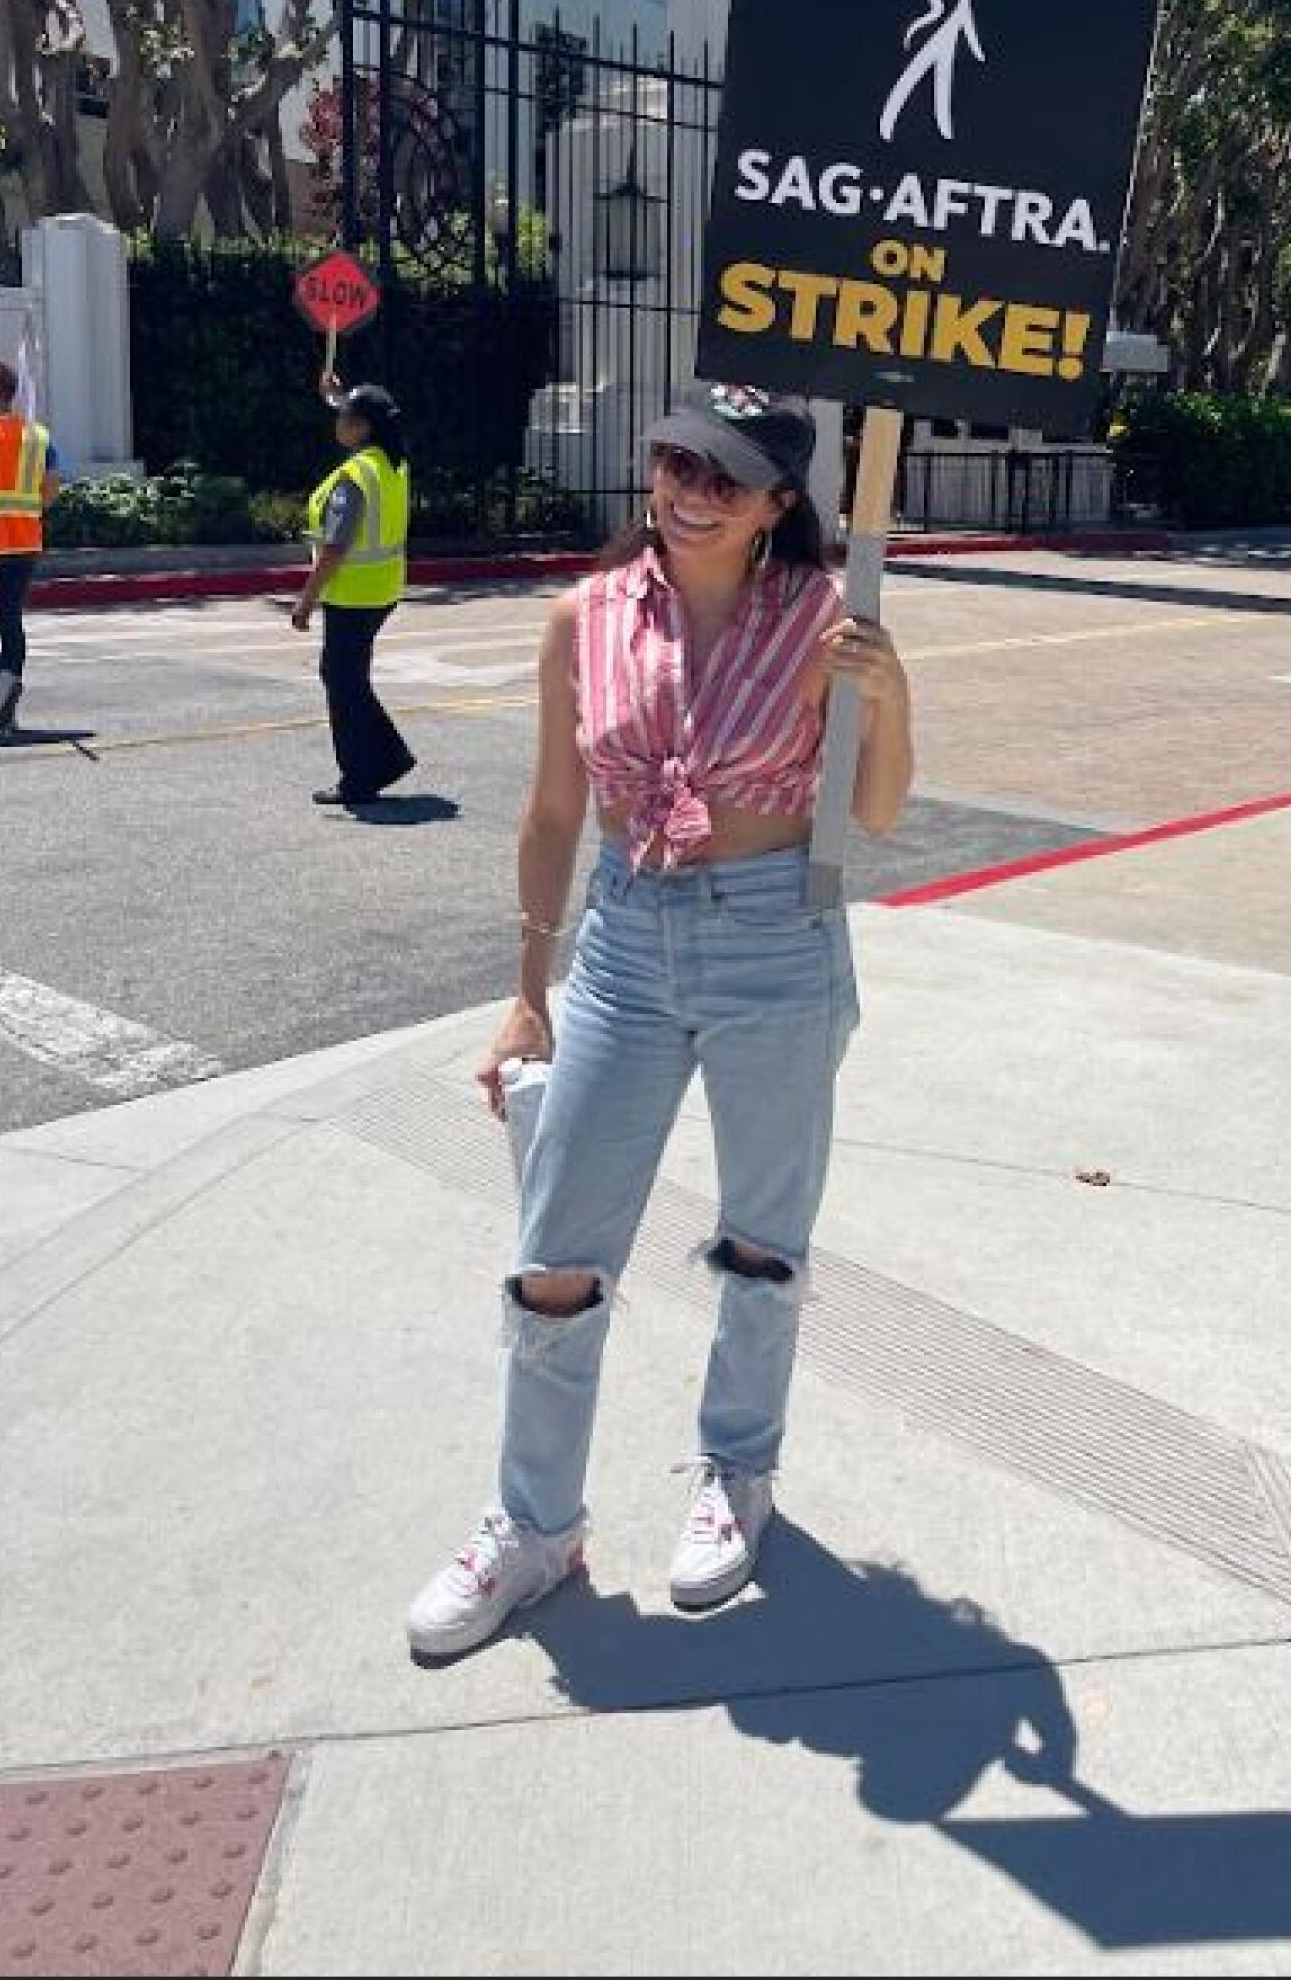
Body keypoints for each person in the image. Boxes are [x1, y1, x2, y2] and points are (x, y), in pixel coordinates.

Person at [407, 379, 913, 1657]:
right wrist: (529, 992)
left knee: (761, 1241)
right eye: (677, 460)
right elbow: (551, 813)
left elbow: (881, 812)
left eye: (724, 478)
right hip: (627, 942)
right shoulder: (582, 618)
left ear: (777, 505)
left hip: (775, 937)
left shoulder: (822, 622)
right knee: (555, 1253)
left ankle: (735, 1473)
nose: (690, 492)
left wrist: (891, 692)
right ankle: (532, 1526)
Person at [292, 379, 415, 808]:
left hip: (352, 594)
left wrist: (306, 598)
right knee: (348, 679)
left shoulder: (354, 476)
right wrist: (334, 394)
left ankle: (361, 776)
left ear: (361, 427)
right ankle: (387, 757)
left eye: (344, 415)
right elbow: (364, 414)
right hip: (383, 589)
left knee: (342, 682)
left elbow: (335, 546)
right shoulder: (391, 462)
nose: (337, 421)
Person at [0, 358, 61, 733]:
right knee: (10, 618)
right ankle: (6, 709)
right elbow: (50, 494)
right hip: (25, 541)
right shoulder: (38, 436)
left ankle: (0, 679)